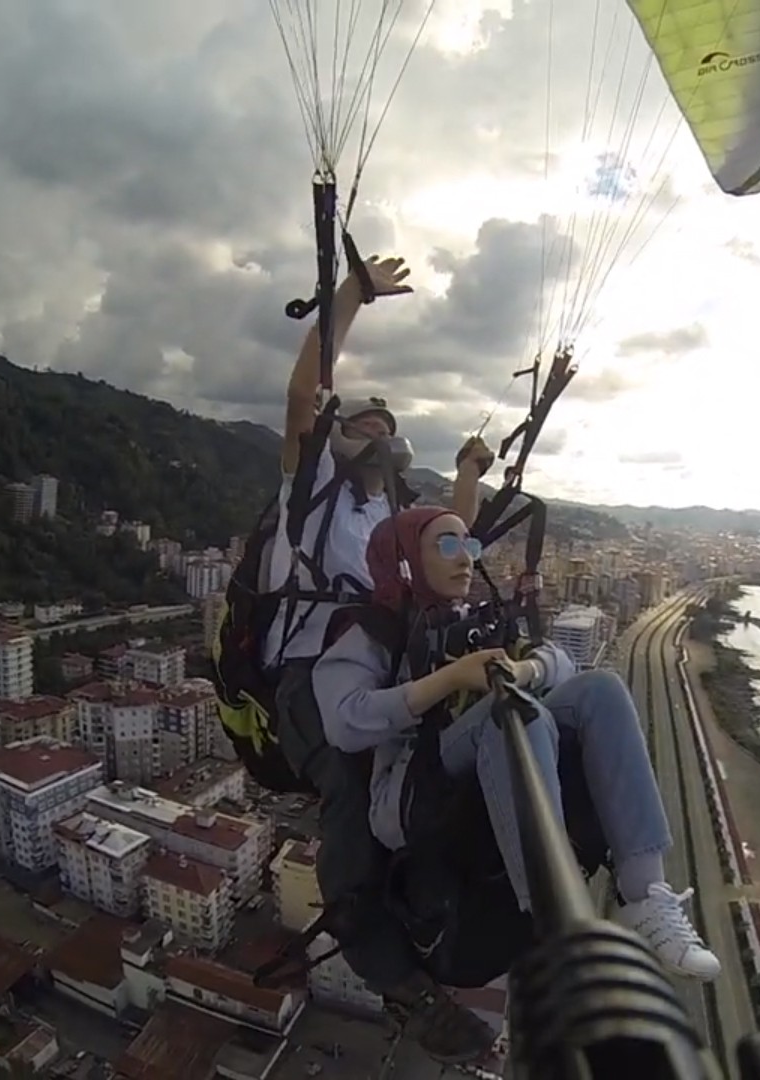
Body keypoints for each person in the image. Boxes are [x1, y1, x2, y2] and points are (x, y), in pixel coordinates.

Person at [313, 506, 723, 982]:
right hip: (405, 792)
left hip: (471, 762)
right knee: (510, 711)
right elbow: (344, 722)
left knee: (602, 688)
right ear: (404, 560)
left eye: (469, 546)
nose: (465, 558)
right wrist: (449, 680)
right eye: (446, 545)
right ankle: (557, 917)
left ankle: (645, 893)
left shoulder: (469, 621)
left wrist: (525, 670)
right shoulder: (372, 633)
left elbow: (561, 661)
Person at [267, 255, 498, 1063]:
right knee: (354, 778)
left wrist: (468, 472)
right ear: (337, 436)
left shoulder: (388, 514)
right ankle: (390, 973)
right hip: (307, 678)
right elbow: (302, 396)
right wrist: (352, 295)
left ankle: (455, 907)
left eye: (389, 430)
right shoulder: (312, 494)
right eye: (366, 424)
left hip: (383, 668)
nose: (381, 433)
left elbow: (450, 538)